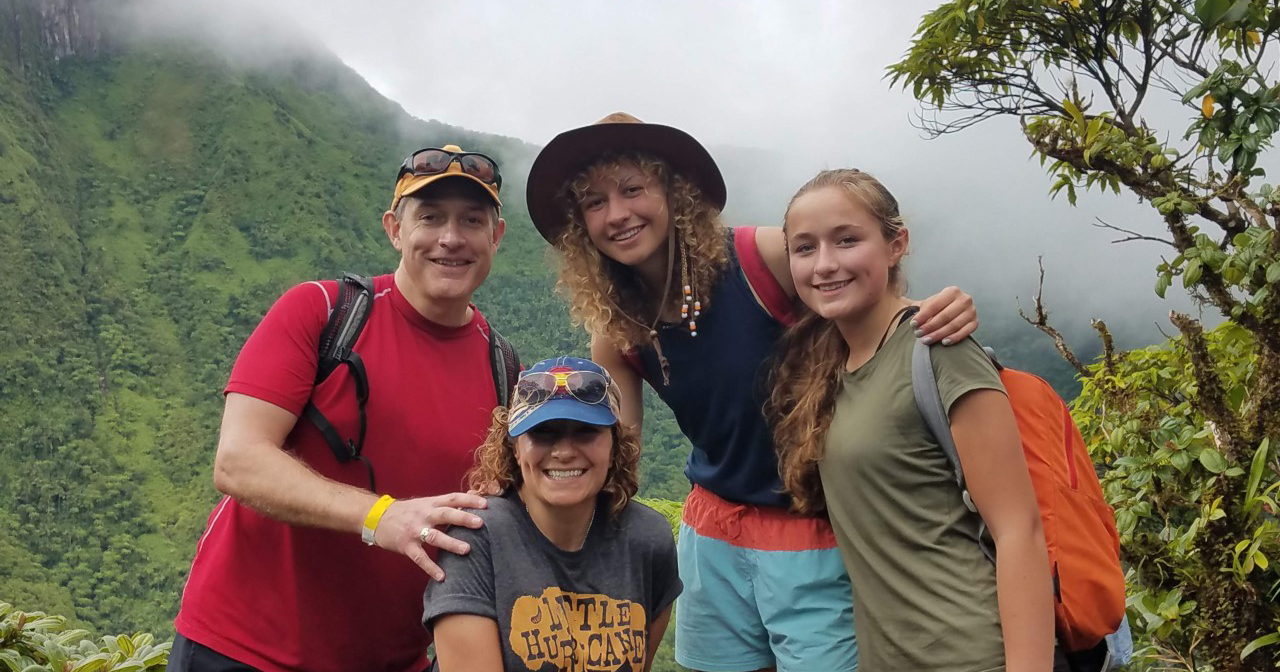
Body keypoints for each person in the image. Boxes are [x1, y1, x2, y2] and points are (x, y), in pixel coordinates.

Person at [524, 113, 980, 672]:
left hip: (816, 530)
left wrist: (927, 309)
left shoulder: (759, 259)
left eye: (633, 188)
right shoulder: (617, 327)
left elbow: (850, 289)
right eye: (594, 202)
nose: (617, 213)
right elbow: (621, 453)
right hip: (712, 537)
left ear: (672, 191)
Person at [169, 145, 511, 672]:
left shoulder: (504, 369)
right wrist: (382, 516)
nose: (451, 237)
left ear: (496, 237)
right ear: (394, 229)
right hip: (241, 651)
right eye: (430, 217)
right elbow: (238, 461)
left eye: (471, 220)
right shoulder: (322, 312)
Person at [768, 169, 1055, 671]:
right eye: (805, 247)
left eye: (848, 240)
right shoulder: (828, 365)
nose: (825, 264)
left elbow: (1019, 530)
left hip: (970, 654)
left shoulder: (940, 349)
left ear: (896, 243)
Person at [424, 356, 681, 672]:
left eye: (586, 432)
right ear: (516, 448)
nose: (563, 452)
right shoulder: (476, 539)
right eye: (544, 433)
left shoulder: (646, 540)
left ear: (615, 445)